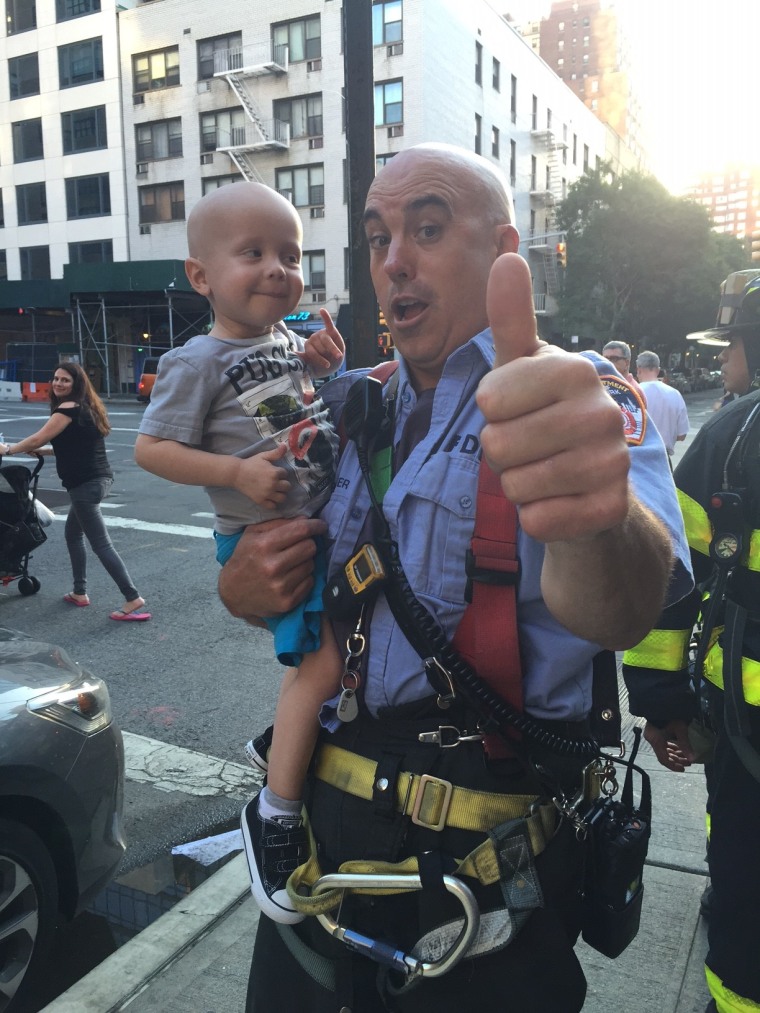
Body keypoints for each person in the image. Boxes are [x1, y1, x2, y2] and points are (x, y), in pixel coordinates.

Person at [218, 143, 693, 1013]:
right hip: (319, 855)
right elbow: (293, 590)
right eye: (377, 236)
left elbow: (627, 608)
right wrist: (247, 590)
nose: (393, 258)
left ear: (504, 249)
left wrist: (596, 516)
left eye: (427, 228)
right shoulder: (346, 405)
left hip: (489, 885)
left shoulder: (581, 397)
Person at [134, 181, 346, 924]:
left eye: (289, 254)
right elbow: (151, 448)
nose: (277, 269)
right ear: (202, 276)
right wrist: (233, 473)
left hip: (315, 523)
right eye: (252, 253)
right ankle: (278, 814)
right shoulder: (197, 361)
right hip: (268, 539)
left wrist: (319, 368)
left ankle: (275, 740)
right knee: (322, 665)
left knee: (344, 650)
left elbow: (288, 418)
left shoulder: (281, 342)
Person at [623, 272, 760, 1013]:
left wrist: (662, 702)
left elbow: (669, 575)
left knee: (745, 893)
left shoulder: (734, 435)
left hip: (747, 740)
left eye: (732, 344)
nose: (726, 360)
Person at [0, 363, 150, 620]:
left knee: (101, 545)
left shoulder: (67, 408)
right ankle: (79, 592)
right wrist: (43, 451)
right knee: (73, 535)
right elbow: (71, 447)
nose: (58, 383)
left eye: (65, 380)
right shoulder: (86, 408)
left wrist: (8, 449)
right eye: (56, 378)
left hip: (85, 485)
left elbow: (38, 437)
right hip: (98, 480)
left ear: (76, 384)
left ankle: (132, 598)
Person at [635, 350, 689, 457]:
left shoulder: (632, 393)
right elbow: (682, 435)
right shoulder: (675, 394)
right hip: (663, 457)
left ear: (638, 369)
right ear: (658, 370)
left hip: (637, 457)